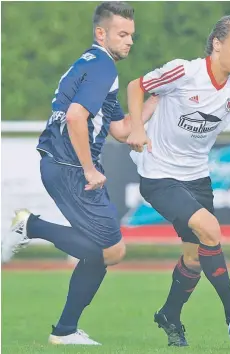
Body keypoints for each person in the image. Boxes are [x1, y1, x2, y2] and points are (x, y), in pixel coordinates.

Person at [126, 15, 230, 347]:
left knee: (194, 256)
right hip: (159, 173)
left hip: (196, 176)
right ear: (217, 44)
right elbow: (137, 86)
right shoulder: (184, 72)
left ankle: (169, 315)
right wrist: (136, 126)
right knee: (210, 230)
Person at [1, 1, 158, 345]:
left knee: (99, 251)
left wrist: (156, 100)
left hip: (57, 163)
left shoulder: (90, 64)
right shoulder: (103, 65)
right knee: (111, 251)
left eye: (132, 34)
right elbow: (75, 116)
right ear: (101, 33)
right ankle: (30, 225)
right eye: (122, 33)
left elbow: (121, 130)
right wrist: (89, 169)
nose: (130, 40)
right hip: (72, 168)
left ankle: (65, 330)